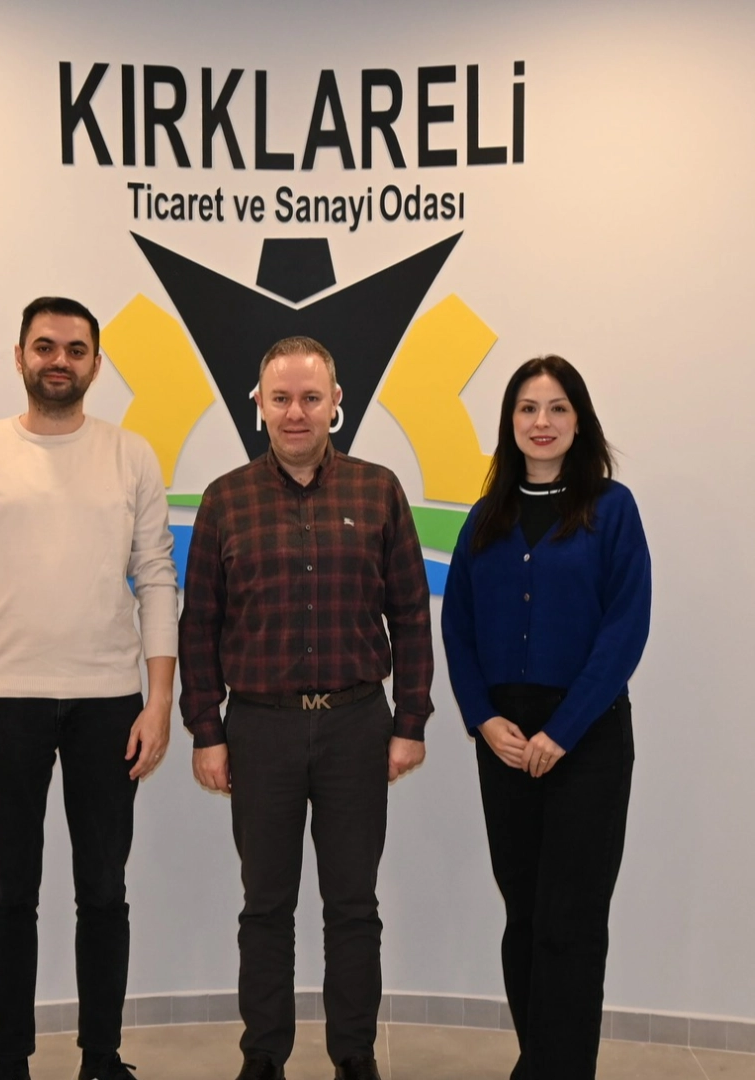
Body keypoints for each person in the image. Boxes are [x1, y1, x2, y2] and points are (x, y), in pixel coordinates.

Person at [0, 296, 177, 1080]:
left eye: (74, 349)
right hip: (4, 701)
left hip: (110, 701)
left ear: (95, 363)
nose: (58, 361)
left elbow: (157, 579)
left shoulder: (130, 455)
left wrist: (159, 701)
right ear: (20, 356)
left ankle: (102, 1058)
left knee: (104, 889)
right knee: (11, 892)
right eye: (44, 346)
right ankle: (9, 1062)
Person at [178, 336, 433, 1080]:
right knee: (265, 906)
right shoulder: (225, 499)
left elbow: (411, 615)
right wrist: (206, 731)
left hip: (358, 724)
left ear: (335, 403)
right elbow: (201, 625)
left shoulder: (378, 490)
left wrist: (410, 721)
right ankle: (264, 1055)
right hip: (260, 729)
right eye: (282, 398)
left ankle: (354, 1054)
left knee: (353, 906)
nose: (297, 412)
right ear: (258, 405)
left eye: (311, 398)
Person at [440, 355, 651, 1080]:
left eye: (557, 407)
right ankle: (541, 1060)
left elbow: (626, 627)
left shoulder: (612, 508)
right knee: (526, 915)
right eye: (527, 408)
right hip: (504, 737)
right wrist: (482, 718)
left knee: (572, 920)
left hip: (586, 736)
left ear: (579, 420)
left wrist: (563, 731)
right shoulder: (485, 518)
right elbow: (458, 628)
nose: (541, 422)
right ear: (510, 423)